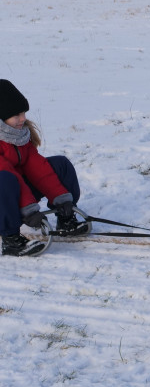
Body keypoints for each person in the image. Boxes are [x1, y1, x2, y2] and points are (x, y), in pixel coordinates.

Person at [1, 79, 87, 257]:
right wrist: (29, 210)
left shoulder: (19, 136)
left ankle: (66, 219)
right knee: (5, 179)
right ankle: (10, 239)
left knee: (60, 164)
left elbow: (37, 168)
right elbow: (9, 174)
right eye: (16, 115)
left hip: (14, 190)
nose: (23, 118)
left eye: (23, 112)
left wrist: (62, 199)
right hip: (5, 190)